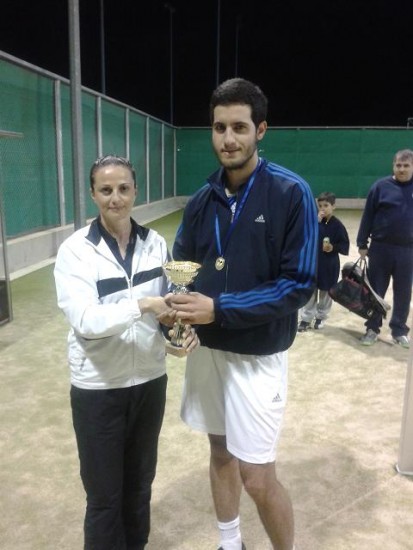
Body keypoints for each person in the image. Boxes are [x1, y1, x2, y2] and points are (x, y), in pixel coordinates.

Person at [167, 78, 318, 550]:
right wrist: (177, 319)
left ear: (260, 130)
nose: (228, 139)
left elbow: (299, 283)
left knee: (257, 475)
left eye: (239, 127)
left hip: (257, 355)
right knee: (219, 451)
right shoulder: (201, 200)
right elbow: (181, 271)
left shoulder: (291, 192)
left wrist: (219, 308)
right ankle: (230, 542)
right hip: (208, 351)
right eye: (219, 128)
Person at [54, 155, 198, 550]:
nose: (115, 198)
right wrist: (143, 305)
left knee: (139, 487)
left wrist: (176, 333)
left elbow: (166, 307)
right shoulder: (75, 251)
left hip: (149, 382)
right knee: (104, 498)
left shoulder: (155, 244)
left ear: (135, 191)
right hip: (98, 389)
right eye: (105, 190)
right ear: (92, 194)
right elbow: (86, 320)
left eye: (123, 189)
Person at [357, 149, 413, 348]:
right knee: (376, 291)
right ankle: (372, 328)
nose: (402, 169)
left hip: (407, 251)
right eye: (398, 165)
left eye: (406, 165)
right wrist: (362, 243)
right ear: (393, 166)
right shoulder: (380, 187)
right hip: (380, 249)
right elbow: (368, 216)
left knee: (403, 292)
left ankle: (399, 330)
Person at [298, 191, 349, 331]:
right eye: (320, 206)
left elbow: (344, 246)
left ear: (333, 206)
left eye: (326, 205)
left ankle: (321, 317)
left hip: (329, 265)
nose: (322, 209)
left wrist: (333, 247)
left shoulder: (337, 226)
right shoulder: (313, 223)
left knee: (326, 292)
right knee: (310, 291)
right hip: (313, 263)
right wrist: (316, 223)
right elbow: (304, 238)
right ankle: (306, 318)